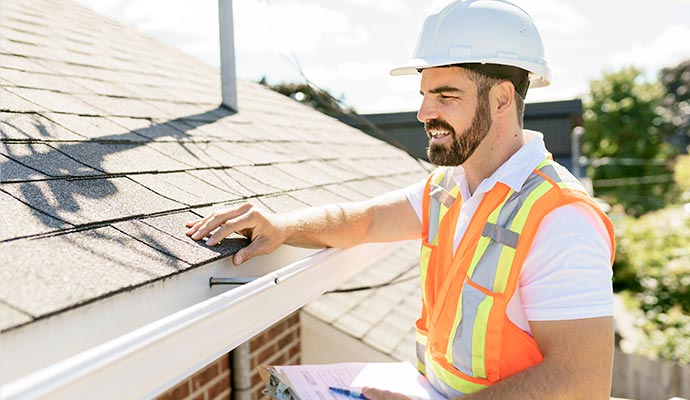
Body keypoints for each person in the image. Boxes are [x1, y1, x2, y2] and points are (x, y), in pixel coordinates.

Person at [186, 0, 616, 398]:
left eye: (446, 95)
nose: (424, 113)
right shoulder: (449, 188)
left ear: (502, 98)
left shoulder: (560, 216)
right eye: (424, 95)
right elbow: (367, 221)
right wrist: (282, 227)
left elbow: (582, 381)